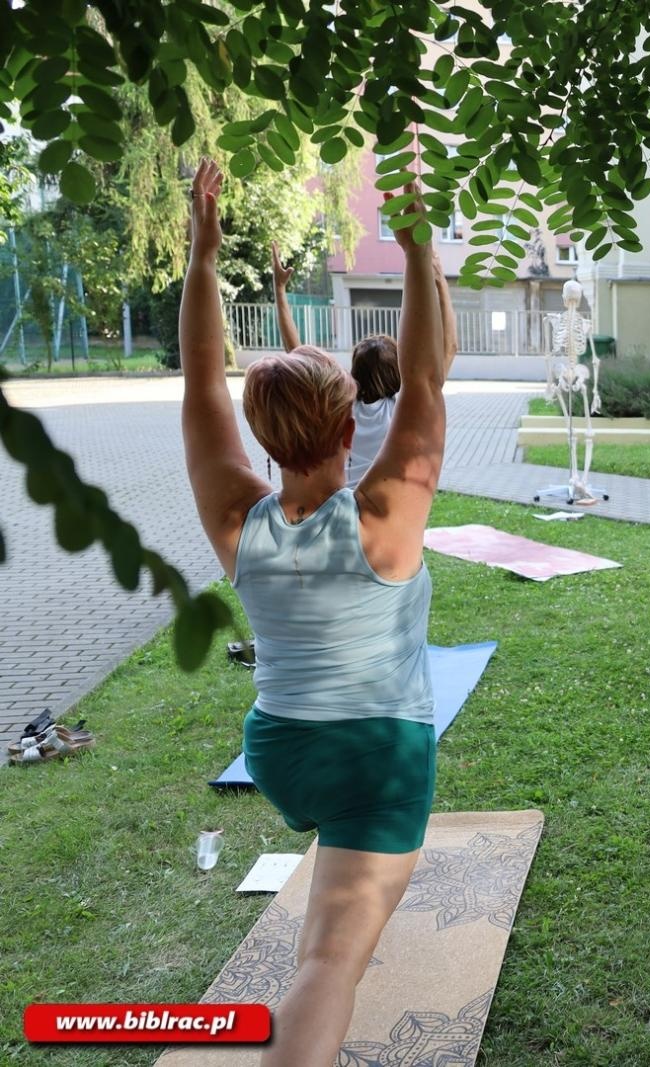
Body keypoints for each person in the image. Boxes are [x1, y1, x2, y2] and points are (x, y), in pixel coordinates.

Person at [180, 160, 456, 1064]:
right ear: (349, 432)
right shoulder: (386, 519)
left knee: (324, 953)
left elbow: (200, 382)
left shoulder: (236, 519)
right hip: (373, 758)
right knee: (330, 963)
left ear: (266, 439)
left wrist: (203, 257)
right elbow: (423, 381)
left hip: (281, 749)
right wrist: (418, 249)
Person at [271, 242, 457, 486]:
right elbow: (450, 347)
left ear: (355, 373)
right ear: (397, 371)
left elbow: (297, 354)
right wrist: (439, 280)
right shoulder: (405, 409)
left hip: (345, 511)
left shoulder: (341, 407)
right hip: (388, 517)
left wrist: (279, 289)